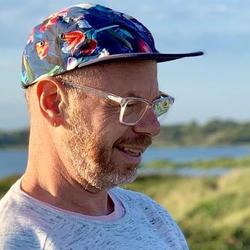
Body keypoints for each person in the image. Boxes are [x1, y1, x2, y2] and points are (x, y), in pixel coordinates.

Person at [0, 3, 203, 250]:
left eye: (155, 104)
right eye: (130, 105)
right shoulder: (15, 241)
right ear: (53, 102)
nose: (152, 127)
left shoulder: (152, 217)